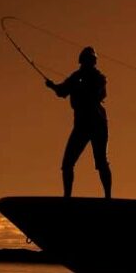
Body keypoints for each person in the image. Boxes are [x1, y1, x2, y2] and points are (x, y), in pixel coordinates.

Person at [47, 47, 111, 199]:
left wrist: (79, 90)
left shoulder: (99, 78)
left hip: (97, 124)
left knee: (101, 162)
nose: (88, 64)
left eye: (90, 61)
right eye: (86, 61)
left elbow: (100, 94)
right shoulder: (75, 77)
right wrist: (52, 86)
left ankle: (108, 196)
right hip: (81, 125)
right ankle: (67, 197)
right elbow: (62, 92)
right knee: (67, 163)